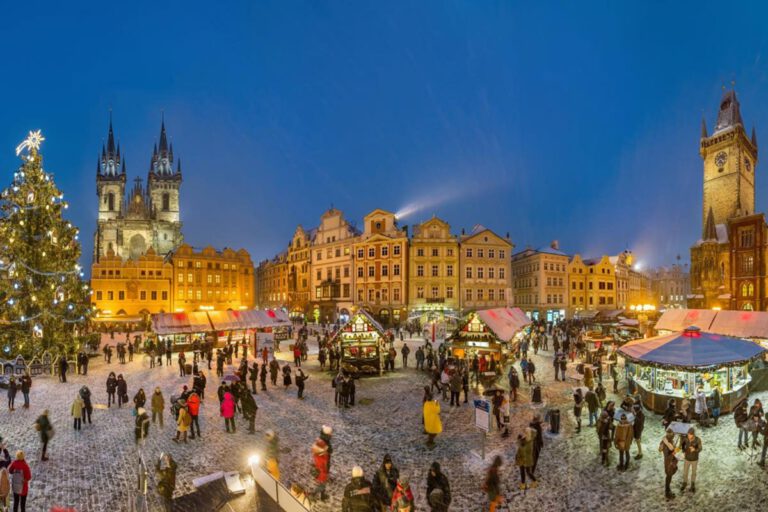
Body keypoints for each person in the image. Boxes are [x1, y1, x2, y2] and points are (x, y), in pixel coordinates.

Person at [659, 428, 679, 500]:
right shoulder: (665, 442)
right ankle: (667, 492)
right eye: (670, 434)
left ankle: (668, 490)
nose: (672, 435)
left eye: (672, 434)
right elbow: (660, 449)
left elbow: (674, 450)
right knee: (668, 476)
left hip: (672, 460)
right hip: (668, 462)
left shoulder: (670, 440)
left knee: (669, 476)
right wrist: (663, 444)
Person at [680, 427, 702, 493]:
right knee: (685, 472)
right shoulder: (685, 439)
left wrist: (695, 450)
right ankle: (684, 482)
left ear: (693, 434)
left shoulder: (698, 440)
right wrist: (683, 449)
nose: (689, 436)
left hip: (694, 459)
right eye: (688, 434)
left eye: (690, 435)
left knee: (693, 473)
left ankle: (692, 484)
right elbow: (682, 446)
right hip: (687, 459)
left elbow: (700, 448)